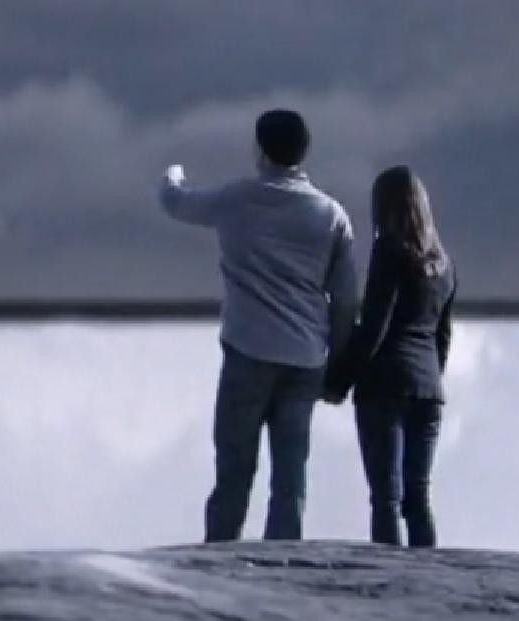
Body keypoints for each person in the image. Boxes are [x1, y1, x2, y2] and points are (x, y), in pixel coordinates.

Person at [159, 109, 358, 542]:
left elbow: (176, 202)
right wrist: (338, 369)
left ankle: (220, 553)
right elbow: (346, 301)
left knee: (234, 468)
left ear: (260, 150)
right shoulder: (331, 215)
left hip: (248, 350)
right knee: (290, 474)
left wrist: (172, 173)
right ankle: (284, 561)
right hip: (306, 357)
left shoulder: (235, 199)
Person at [324, 165, 456, 547]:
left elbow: (374, 328)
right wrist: (430, 380)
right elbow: (443, 337)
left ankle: (391, 576)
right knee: (418, 496)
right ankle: (429, 573)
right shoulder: (445, 265)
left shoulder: (389, 252)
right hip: (428, 390)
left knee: (386, 498)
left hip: (385, 385)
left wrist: (338, 381)